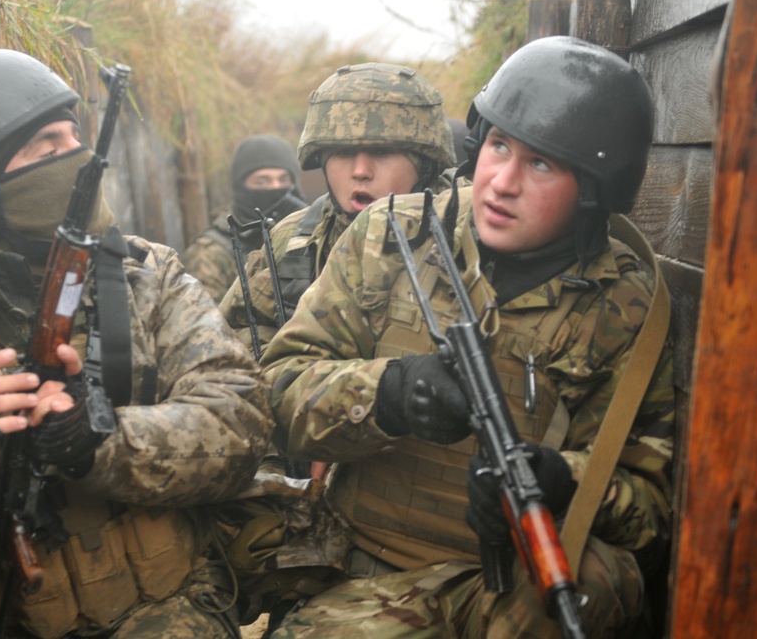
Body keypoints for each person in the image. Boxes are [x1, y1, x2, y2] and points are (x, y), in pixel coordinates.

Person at [260, 36, 675, 637]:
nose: (501, 182)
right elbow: (276, 392)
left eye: (540, 163)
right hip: (367, 574)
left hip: (526, 586)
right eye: (499, 146)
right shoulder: (388, 236)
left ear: (593, 190)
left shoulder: (626, 305)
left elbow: (652, 513)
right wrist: (389, 393)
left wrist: (563, 480)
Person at [0, 49, 272, 639]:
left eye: (74, 136)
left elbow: (244, 422)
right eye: (46, 147)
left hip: (173, 607)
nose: (77, 159)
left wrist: (97, 441)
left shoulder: (147, 275)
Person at [219, 62, 456, 357]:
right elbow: (224, 347)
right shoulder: (293, 240)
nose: (360, 171)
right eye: (343, 153)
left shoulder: (466, 233)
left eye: (382, 152)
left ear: (425, 163)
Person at [181, 135, 306, 303]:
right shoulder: (210, 254)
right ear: (242, 186)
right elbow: (205, 322)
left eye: (284, 180)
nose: (276, 189)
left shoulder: (309, 233)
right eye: (262, 182)